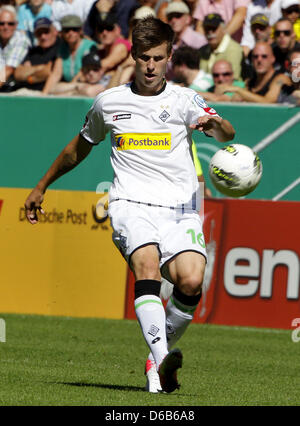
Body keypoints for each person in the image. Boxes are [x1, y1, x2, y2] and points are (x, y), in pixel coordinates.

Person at [24, 16, 235, 394]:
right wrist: (42, 185)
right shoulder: (110, 102)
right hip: (130, 203)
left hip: (180, 209)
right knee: (148, 266)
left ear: (169, 56)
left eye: (157, 57)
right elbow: (79, 148)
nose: (150, 66)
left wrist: (212, 125)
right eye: (143, 58)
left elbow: (226, 131)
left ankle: (157, 357)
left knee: (190, 280)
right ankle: (161, 366)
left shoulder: (186, 100)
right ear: (133, 57)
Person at [218, 41, 291, 102]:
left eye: (264, 56)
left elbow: (268, 102)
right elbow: (235, 100)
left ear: (273, 58)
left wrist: (238, 90)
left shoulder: (281, 79)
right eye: (255, 56)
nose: (259, 60)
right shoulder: (250, 82)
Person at [42, 14, 96, 94]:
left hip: (86, 86)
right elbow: (56, 74)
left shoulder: (90, 46)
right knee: (52, 88)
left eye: (74, 29)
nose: (70, 33)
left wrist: (69, 87)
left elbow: (85, 72)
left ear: (80, 30)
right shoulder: (62, 48)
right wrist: (44, 95)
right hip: (70, 87)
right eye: (67, 30)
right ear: (62, 32)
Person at [14, 17, 60, 91]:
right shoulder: (33, 51)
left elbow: (48, 72)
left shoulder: (60, 48)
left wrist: (29, 77)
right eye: (39, 33)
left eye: (46, 32)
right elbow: (17, 74)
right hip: (24, 91)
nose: (43, 36)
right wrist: (40, 68)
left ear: (55, 31)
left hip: (47, 92)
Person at [198, 13, 244, 80]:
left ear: (223, 28)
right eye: (207, 29)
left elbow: (233, 79)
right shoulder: (202, 50)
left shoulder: (234, 49)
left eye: (214, 29)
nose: (210, 32)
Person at [0, 5, 30, 91]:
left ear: (16, 25)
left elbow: (8, 69)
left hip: (13, 88)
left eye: (10, 24)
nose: (6, 27)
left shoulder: (21, 40)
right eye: (1, 23)